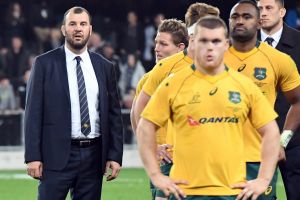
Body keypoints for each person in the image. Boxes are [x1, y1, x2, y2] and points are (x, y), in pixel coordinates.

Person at [137, 16, 280, 200]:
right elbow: (144, 126)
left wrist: (263, 179)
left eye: (216, 41)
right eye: (204, 40)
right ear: (193, 43)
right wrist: (156, 176)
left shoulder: (244, 86)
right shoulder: (173, 84)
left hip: (231, 192)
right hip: (184, 192)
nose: (210, 46)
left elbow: (271, 132)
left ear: (226, 44)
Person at [24, 6, 123, 200]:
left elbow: (113, 114)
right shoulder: (44, 63)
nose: (78, 29)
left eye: (83, 24)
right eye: (73, 24)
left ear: (90, 30)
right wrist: (33, 156)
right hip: (55, 155)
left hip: (94, 157)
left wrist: (114, 155)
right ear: (63, 30)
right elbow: (33, 112)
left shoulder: (105, 66)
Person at [225, 1, 300, 199]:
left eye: (247, 16)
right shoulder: (212, 56)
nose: (240, 21)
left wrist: (282, 140)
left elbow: (298, 100)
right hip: (222, 153)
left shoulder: (281, 57)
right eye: (235, 17)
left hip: (284, 147)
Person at [131, 18, 188, 200]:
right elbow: (135, 115)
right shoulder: (148, 79)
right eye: (156, 42)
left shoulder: (193, 74)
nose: (156, 48)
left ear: (180, 48)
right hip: (163, 161)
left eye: (163, 44)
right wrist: (150, 147)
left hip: (189, 159)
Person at [257, 1, 300, 198]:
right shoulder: (241, 45)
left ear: (282, 12)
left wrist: (283, 140)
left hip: (295, 141)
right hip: (253, 143)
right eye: (259, 9)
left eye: (268, 8)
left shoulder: (299, 43)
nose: (263, 13)